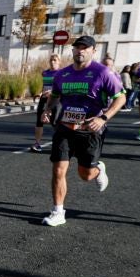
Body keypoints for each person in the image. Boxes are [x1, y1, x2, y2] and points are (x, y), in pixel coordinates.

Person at [40, 35, 125, 227]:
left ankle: (98, 169)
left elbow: (121, 98)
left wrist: (103, 118)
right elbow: (55, 95)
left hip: (90, 130)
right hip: (65, 127)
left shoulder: (103, 73)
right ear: (73, 50)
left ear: (93, 51)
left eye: (85, 48)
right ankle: (58, 212)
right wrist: (47, 110)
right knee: (58, 169)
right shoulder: (62, 74)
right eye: (78, 47)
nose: (81, 51)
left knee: (85, 175)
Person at [30, 52, 62, 152]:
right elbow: (44, 86)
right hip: (44, 99)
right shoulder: (45, 73)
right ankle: (37, 143)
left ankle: (60, 143)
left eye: (55, 60)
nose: (52, 62)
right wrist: (40, 93)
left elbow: (61, 88)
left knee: (55, 121)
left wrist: (52, 92)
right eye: (51, 60)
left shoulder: (62, 73)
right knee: (39, 121)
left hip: (56, 99)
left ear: (59, 62)